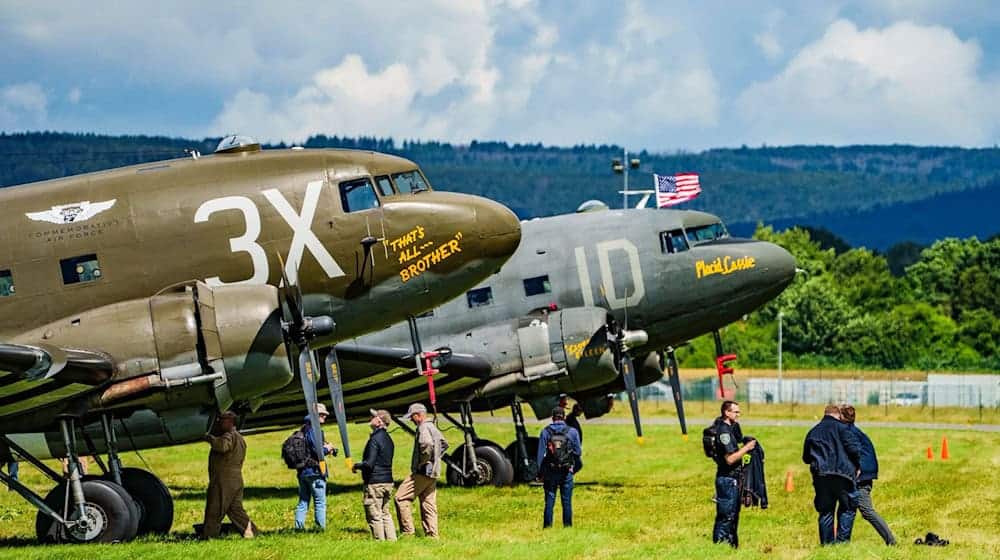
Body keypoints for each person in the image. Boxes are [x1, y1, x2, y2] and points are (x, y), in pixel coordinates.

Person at [802, 404, 861, 545]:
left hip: (821, 476)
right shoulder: (843, 428)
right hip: (843, 475)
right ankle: (841, 544)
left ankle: (827, 545)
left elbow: (806, 458)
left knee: (826, 511)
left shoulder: (813, 431)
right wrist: (857, 465)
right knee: (847, 508)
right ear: (838, 415)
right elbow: (854, 450)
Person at [839, 405, 896, 545]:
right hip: (864, 473)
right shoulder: (853, 430)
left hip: (861, 476)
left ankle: (891, 541)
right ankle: (841, 543)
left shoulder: (848, 432)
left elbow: (855, 453)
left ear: (842, 417)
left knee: (866, 510)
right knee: (847, 507)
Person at [395, 403, 448, 538]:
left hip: (423, 472)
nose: (411, 420)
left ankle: (407, 533)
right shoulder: (432, 427)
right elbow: (444, 444)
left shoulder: (424, 427)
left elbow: (426, 444)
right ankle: (432, 536)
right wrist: (435, 459)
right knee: (428, 504)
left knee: (400, 498)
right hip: (433, 472)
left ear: (418, 415)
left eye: (412, 417)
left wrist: (423, 462)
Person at [202, 411, 255, 539]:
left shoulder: (229, 435)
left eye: (222, 420)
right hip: (236, 479)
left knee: (215, 509)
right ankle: (252, 532)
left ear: (230, 422)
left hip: (224, 480)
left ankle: (209, 536)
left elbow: (223, 446)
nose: (219, 422)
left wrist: (210, 439)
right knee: (236, 511)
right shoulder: (240, 438)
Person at [711, 400, 756, 547]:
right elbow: (730, 459)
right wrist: (747, 448)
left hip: (732, 479)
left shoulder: (731, 428)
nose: (738, 414)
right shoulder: (723, 432)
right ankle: (721, 546)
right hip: (727, 480)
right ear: (727, 412)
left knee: (733, 515)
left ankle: (731, 546)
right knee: (726, 516)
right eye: (736, 412)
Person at [352, 408, 396, 540]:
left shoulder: (375, 439)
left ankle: (380, 543)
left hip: (375, 482)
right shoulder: (389, 439)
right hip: (388, 481)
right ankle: (392, 542)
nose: (370, 419)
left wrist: (356, 465)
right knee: (385, 514)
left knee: (374, 515)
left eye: (373, 417)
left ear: (379, 421)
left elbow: (369, 464)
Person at [536, 406, 581, 529]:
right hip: (567, 472)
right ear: (564, 417)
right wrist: (573, 467)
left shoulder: (545, 432)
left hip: (550, 471)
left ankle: (547, 527)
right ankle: (567, 527)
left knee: (549, 502)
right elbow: (578, 453)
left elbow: (540, 455)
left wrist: (540, 473)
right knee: (566, 502)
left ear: (552, 418)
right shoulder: (572, 432)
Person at [293, 403, 336, 531]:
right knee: (320, 502)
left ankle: (299, 528)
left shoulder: (304, 429)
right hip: (315, 471)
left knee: (303, 502)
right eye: (322, 414)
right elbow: (318, 452)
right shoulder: (314, 430)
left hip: (303, 471)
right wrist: (328, 449)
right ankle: (320, 529)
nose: (324, 417)